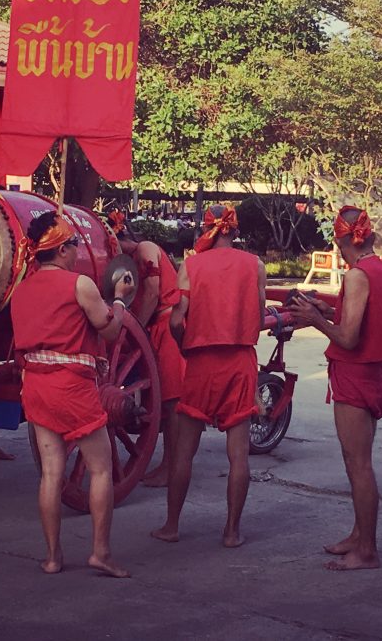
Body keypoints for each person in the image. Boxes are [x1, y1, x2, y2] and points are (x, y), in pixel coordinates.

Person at [11, 210, 134, 578]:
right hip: (71, 387)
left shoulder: (21, 290)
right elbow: (110, 331)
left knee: (51, 473)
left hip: (36, 385)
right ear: (62, 249)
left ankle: (52, 557)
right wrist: (120, 300)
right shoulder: (80, 284)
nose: (78, 250)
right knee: (101, 469)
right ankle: (100, 553)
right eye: (75, 244)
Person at [288, 206, 382, 571]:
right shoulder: (380, 269)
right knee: (356, 460)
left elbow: (349, 338)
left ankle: (367, 550)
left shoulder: (358, 275)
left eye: (338, 244)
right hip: (374, 373)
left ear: (345, 240)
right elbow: (361, 321)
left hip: (356, 375)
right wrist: (327, 311)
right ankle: (359, 535)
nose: (339, 250)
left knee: (359, 465)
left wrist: (315, 319)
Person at [151, 205, 266, 548]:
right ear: (235, 231)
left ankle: (171, 526)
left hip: (201, 362)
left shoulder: (191, 265)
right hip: (240, 361)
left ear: (206, 230)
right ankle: (231, 532)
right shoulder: (255, 265)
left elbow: (176, 320)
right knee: (238, 455)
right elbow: (260, 315)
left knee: (184, 452)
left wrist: (184, 346)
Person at [108, 208, 184, 487]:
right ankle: (166, 463)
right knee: (162, 400)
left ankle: (171, 467)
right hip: (155, 327)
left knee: (172, 402)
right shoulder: (130, 261)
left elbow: (152, 292)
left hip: (167, 326)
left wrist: (133, 328)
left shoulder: (145, 248)